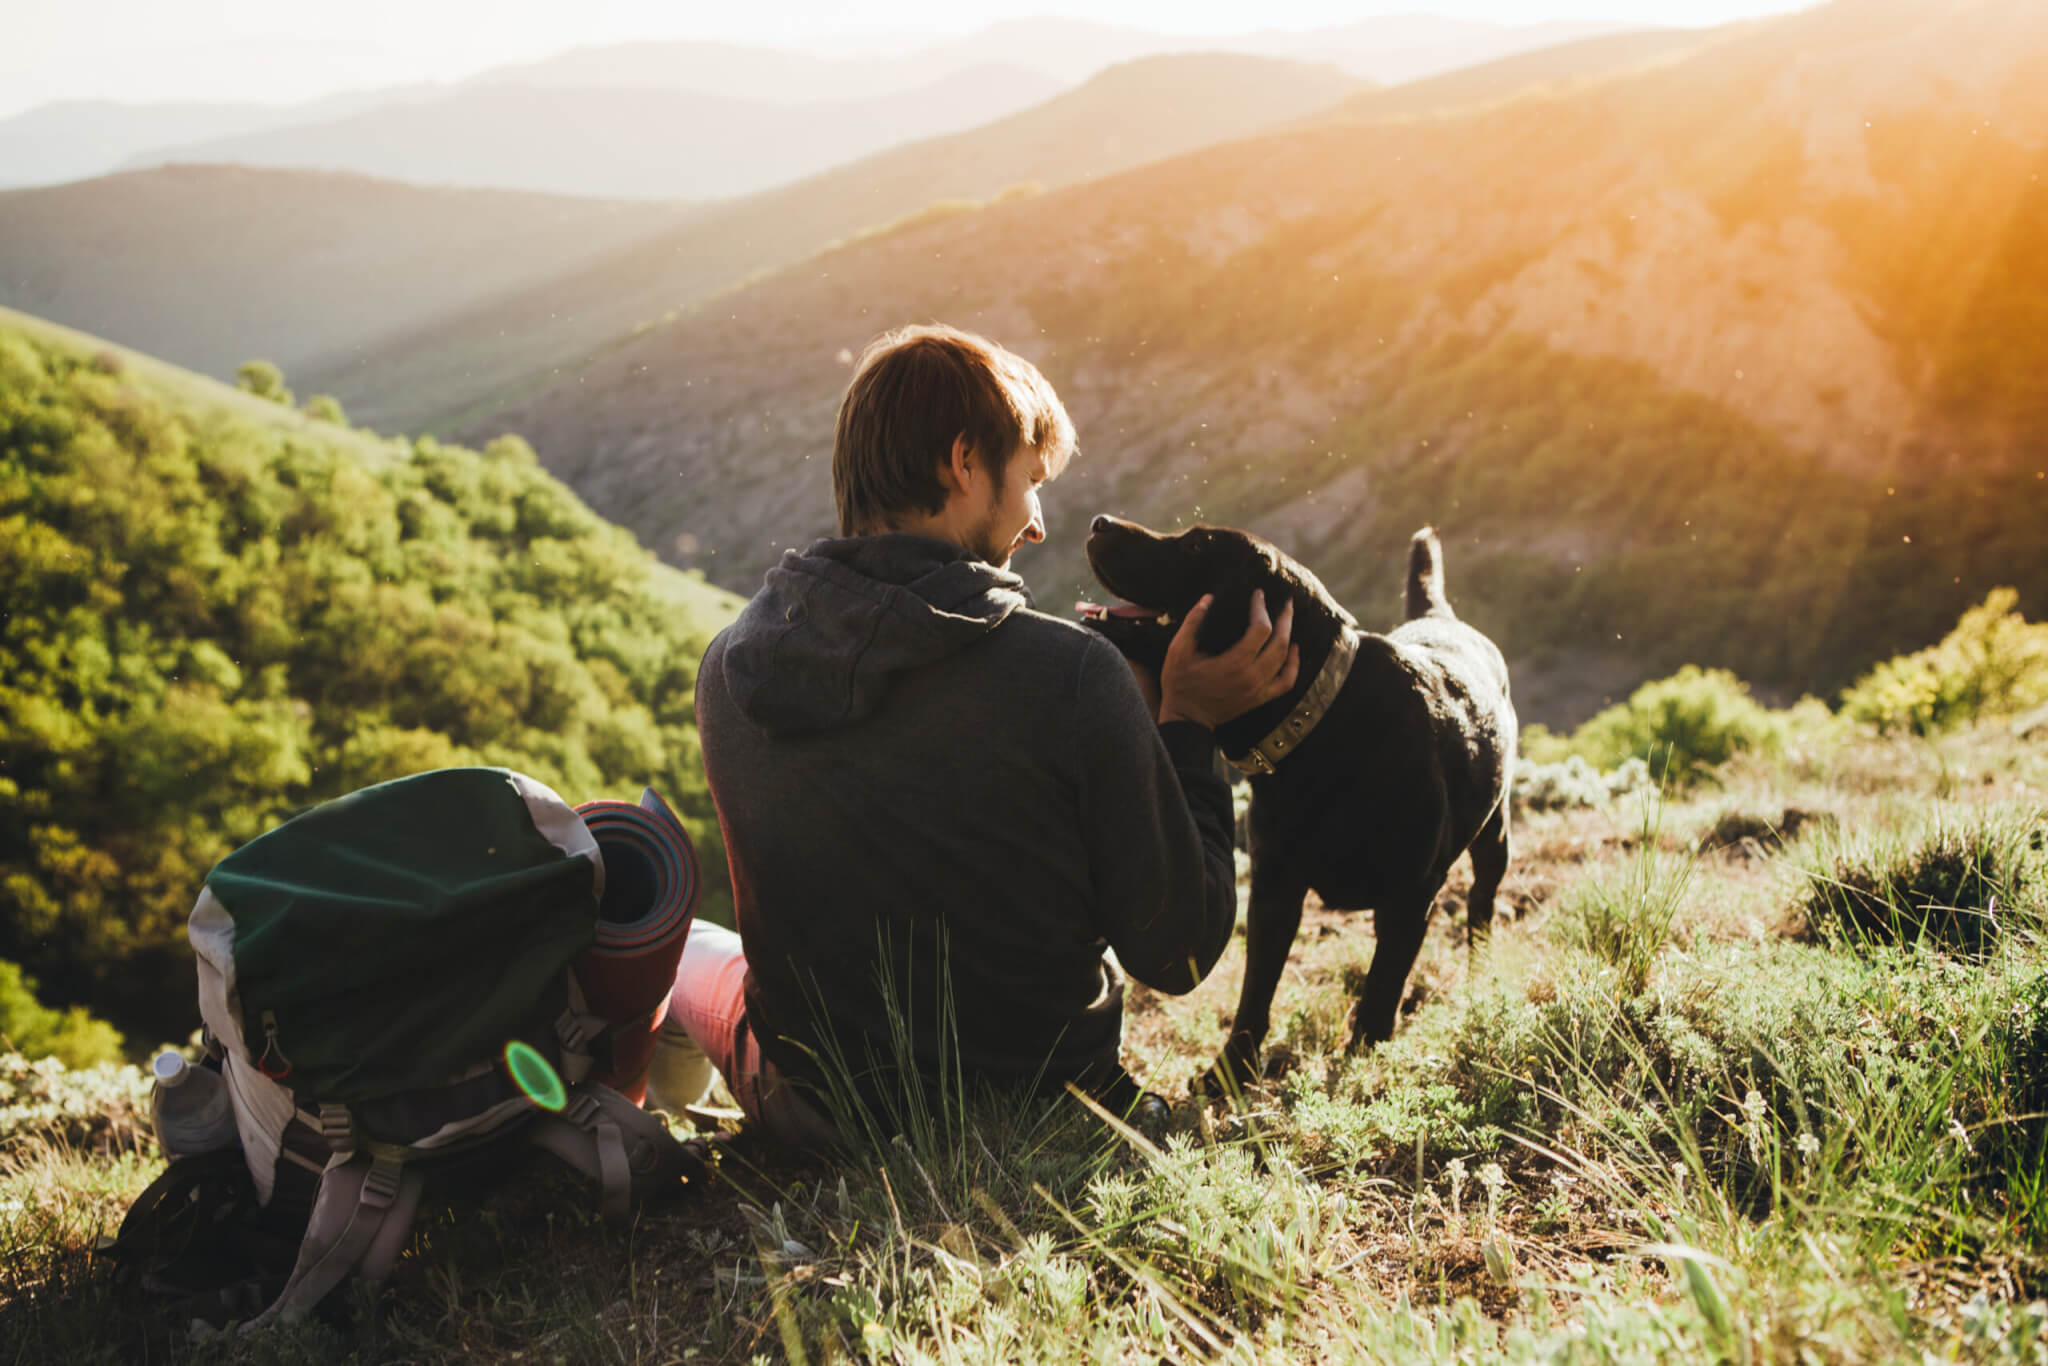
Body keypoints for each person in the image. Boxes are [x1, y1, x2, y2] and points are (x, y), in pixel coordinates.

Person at [648, 323, 1297, 1148]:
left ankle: (663, 1133)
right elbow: (1179, 954)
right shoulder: (1070, 676)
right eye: (1030, 481)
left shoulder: (728, 673)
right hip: (1047, 1105)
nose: (1038, 526)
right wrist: (1187, 728)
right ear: (963, 464)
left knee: (682, 955)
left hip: (819, 1116)